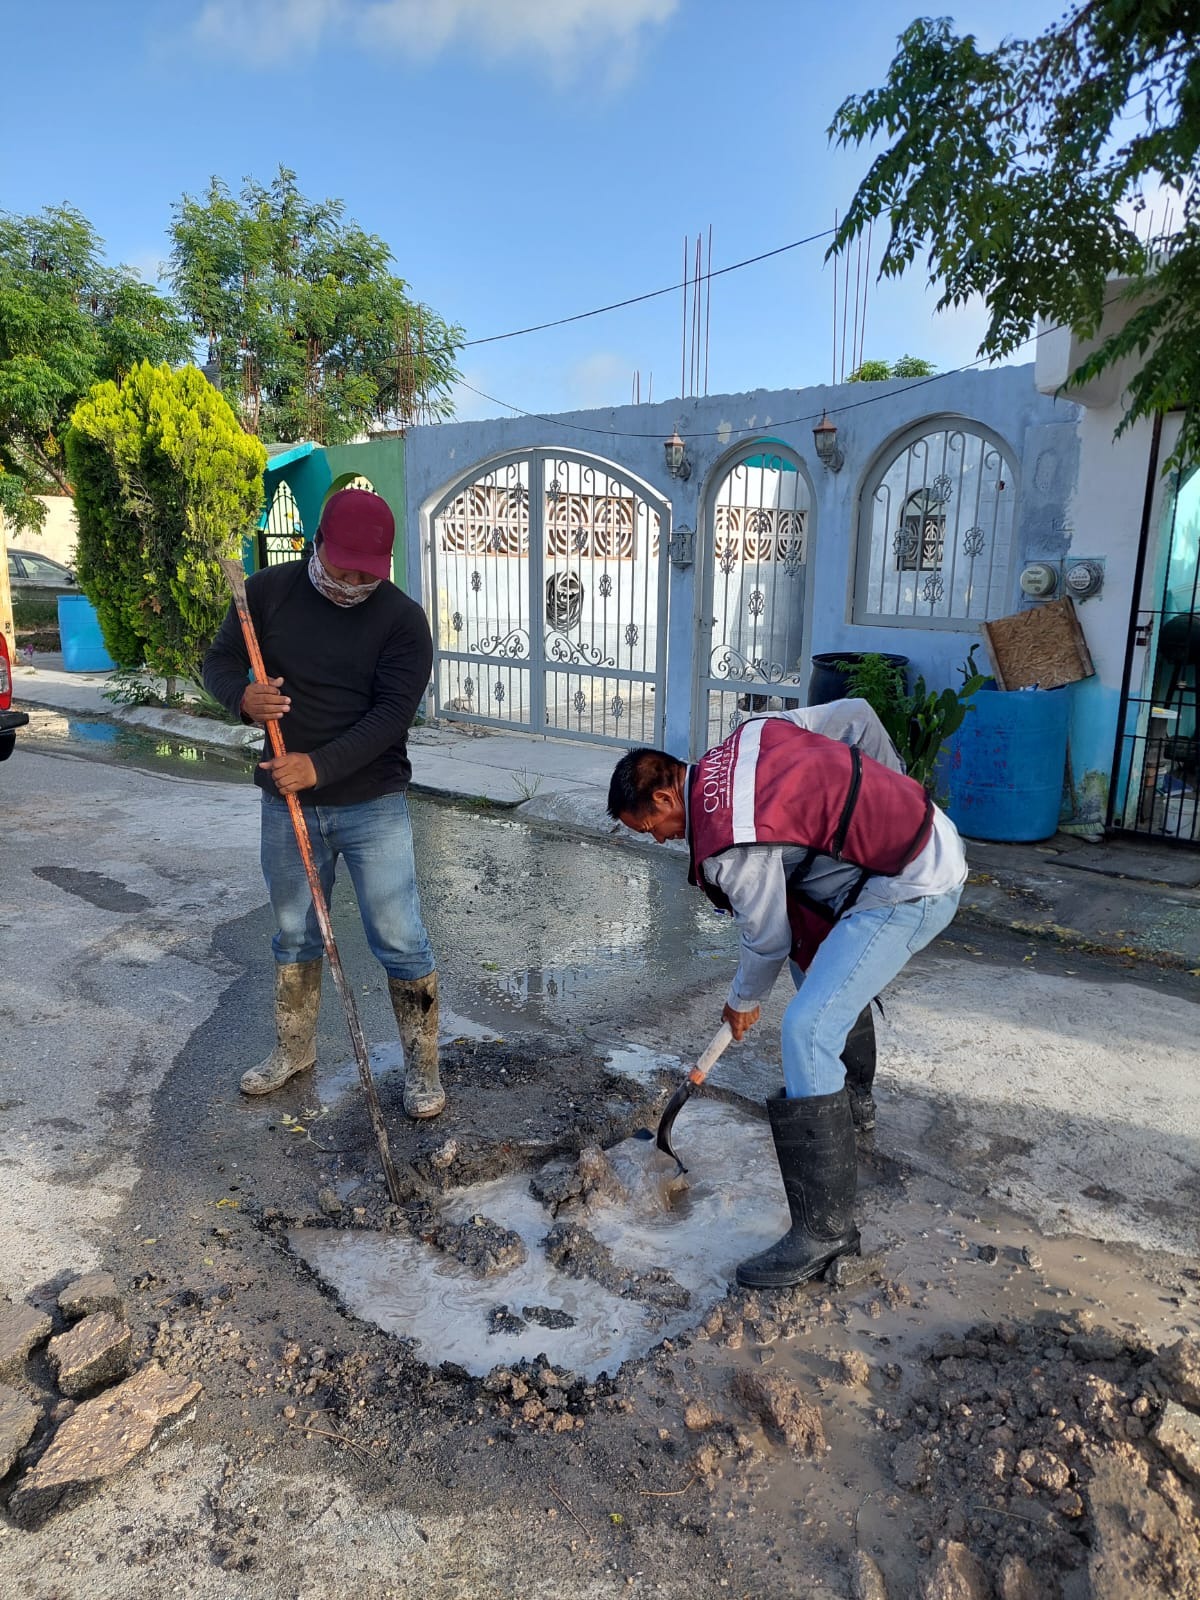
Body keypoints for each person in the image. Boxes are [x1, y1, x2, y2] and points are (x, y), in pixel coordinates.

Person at [607, 700, 966, 1290]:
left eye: (654, 829)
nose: (666, 841)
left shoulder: (727, 844)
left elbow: (766, 936)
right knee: (816, 969)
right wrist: (893, 790)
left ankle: (826, 1234)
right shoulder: (749, 735)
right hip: (922, 834)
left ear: (668, 799)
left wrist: (742, 1001)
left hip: (911, 881)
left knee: (807, 1028)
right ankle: (851, 1099)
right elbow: (857, 714)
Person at [203, 488, 444, 1119]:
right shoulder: (265, 594)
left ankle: (422, 1069)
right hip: (287, 803)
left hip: (371, 801)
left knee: (399, 935)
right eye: (344, 567)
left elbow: (391, 716)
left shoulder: (402, 621)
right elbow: (220, 663)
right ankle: (295, 1050)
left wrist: (319, 766)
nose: (355, 581)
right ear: (317, 545)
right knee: (293, 932)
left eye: (369, 571)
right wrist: (243, 698)